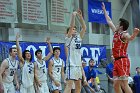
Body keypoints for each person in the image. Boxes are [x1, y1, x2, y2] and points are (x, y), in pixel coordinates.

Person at [102, 2, 140, 93]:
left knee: (124, 84)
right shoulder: (116, 32)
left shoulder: (124, 34)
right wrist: (104, 11)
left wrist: (134, 34)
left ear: (121, 27)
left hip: (122, 60)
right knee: (115, 84)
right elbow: (109, 21)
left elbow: (130, 38)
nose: (116, 24)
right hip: (116, 61)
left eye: (118, 24)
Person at [64, 9, 86, 93]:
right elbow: (71, 25)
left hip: (78, 65)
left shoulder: (79, 37)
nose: (74, 30)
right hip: (71, 65)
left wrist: (80, 17)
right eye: (73, 29)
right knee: (69, 85)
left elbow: (84, 27)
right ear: (68, 32)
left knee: (78, 86)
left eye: (75, 29)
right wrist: (73, 16)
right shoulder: (68, 38)